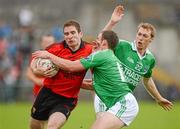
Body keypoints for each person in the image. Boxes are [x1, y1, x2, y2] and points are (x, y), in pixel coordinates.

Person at [32, 6, 173, 129]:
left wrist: (49, 56)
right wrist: (112, 23)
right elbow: (92, 81)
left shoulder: (106, 55)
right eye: (139, 34)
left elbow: (72, 66)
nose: (94, 42)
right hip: (105, 96)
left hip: (121, 99)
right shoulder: (120, 47)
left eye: (144, 35)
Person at [29, 20, 93, 129]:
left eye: (73, 33)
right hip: (47, 93)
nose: (70, 36)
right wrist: (36, 70)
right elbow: (34, 60)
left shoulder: (89, 50)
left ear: (80, 34)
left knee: (52, 126)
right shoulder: (55, 48)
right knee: (34, 126)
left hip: (67, 99)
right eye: (66, 34)